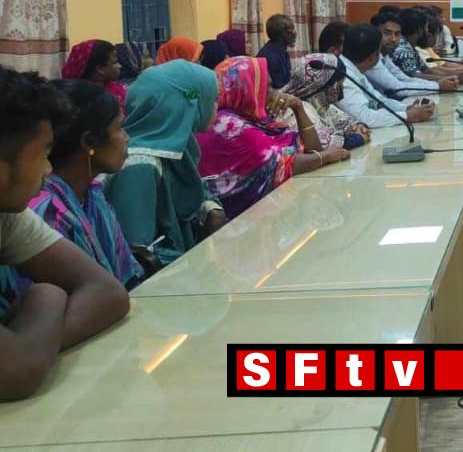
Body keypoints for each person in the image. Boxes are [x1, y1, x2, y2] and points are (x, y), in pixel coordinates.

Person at [0, 67, 130, 401]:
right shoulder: (42, 205)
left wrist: (28, 345)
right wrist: (47, 296)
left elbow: (109, 293)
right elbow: (19, 372)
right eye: (44, 154)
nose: (48, 169)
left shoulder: (7, 215)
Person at [0, 80, 143, 311]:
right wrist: (48, 300)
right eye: (119, 128)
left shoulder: (92, 195)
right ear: (88, 142)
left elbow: (112, 292)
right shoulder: (45, 211)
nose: (126, 137)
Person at [105, 60, 225, 265]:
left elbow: (194, 193)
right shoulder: (138, 168)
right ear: (188, 105)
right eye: (212, 99)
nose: (216, 106)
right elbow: (139, 255)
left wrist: (210, 208)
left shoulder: (178, 146)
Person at [197, 57, 346, 218]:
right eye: (266, 86)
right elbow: (284, 164)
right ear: (248, 88)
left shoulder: (253, 120)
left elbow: (312, 149)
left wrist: (298, 107)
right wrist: (326, 157)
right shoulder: (228, 124)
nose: (274, 92)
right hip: (238, 223)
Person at [336, 23, 434, 129]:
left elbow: (379, 101)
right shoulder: (342, 76)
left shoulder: (355, 69)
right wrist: (407, 116)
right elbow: (365, 118)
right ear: (373, 56)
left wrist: (406, 108)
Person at [282, 53, 370, 151]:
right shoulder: (299, 109)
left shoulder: (320, 104)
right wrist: (358, 139)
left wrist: (358, 127)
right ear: (328, 86)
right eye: (339, 84)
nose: (342, 88)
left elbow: (344, 121)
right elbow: (320, 144)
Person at [366, 12, 450, 98]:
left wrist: (438, 83)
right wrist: (438, 86)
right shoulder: (368, 58)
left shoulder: (384, 55)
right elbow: (398, 89)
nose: (393, 39)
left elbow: (405, 79)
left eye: (397, 34)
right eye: (387, 33)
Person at [391, 8, 463, 84]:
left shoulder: (410, 47)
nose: (428, 33)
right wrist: (450, 78)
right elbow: (415, 76)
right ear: (419, 31)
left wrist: (454, 76)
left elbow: (426, 70)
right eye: (427, 29)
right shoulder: (403, 50)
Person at [62, 39, 127, 110]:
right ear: (100, 69)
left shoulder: (117, 89)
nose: (120, 66)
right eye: (115, 62)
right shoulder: (84, 102)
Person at [257, 14, 296, 89]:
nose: (295, 33)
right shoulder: (270, 56)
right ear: (283, 33)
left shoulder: (281, 52)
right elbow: (279, 88)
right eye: (292, 29)